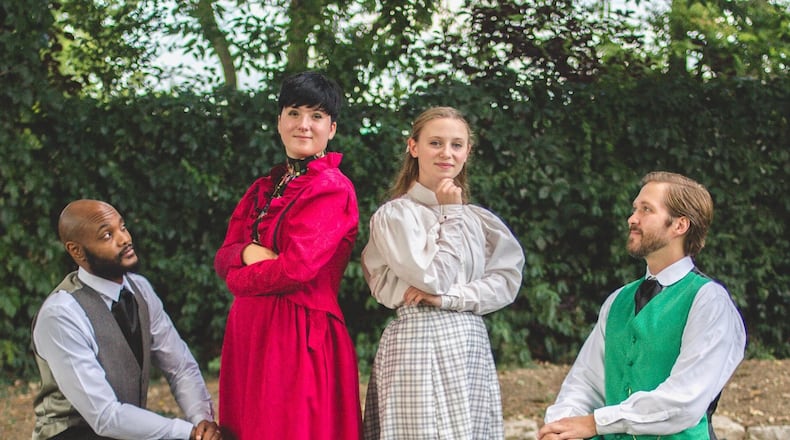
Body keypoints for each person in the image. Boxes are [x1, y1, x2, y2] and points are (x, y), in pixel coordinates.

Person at [538, 171, 747, 440]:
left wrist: (596, 423)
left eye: (646, 210)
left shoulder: (709, 301)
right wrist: (560, 427)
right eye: (635, 208)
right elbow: (585, 383)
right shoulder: (617, 300)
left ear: (680, 225)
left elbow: (684, 400)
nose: (632, 219)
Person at [213, 71, 362, 440]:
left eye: (316, 116)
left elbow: (295, 270)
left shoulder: (331, 188)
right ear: (279, 121)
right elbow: (223, 256)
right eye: (294, 113)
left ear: (331, 128)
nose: (303, 125)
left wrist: (238, 276)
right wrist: (248, 250)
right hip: (250, 332)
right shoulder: (263, 188)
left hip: (297, 335)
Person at [361, 106, 525, 439]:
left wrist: (450, 299)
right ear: (413, 147)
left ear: (468, 151)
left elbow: (505, 282)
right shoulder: (396, 216)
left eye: (456, 144)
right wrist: (450, 214)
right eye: (435, 143)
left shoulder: (479, 220)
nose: (446, 153)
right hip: (418, 339)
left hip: (469, 343)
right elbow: (432, 278)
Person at [31, 199, 221, 440]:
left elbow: (179, 366)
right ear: (77, 251)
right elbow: (104, 416)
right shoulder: (61, 313)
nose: (125, 239)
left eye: (122, 227)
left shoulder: (140, 289)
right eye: (107, 235)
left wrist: (202, 420)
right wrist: (187, 432)